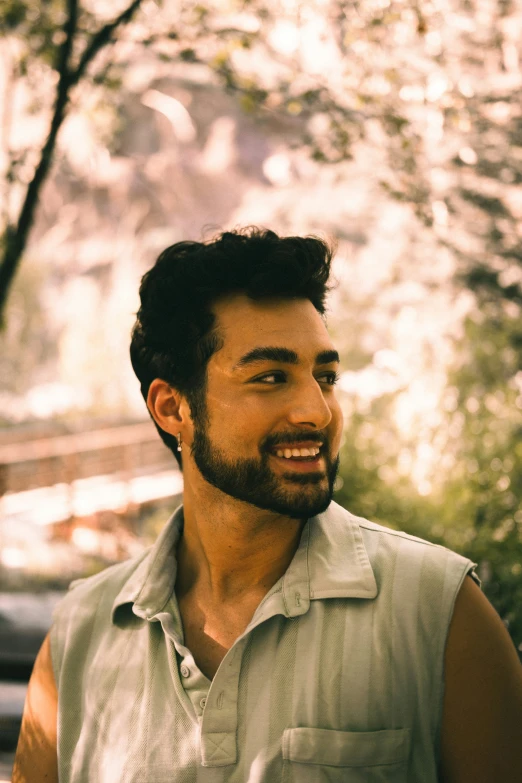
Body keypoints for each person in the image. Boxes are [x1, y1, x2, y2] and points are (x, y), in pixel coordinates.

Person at [13, 228, 522, 783]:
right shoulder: (79, 635)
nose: (317, 412)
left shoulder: (440, 612)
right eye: (271, 377)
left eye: (324, 377)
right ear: (172, 407)